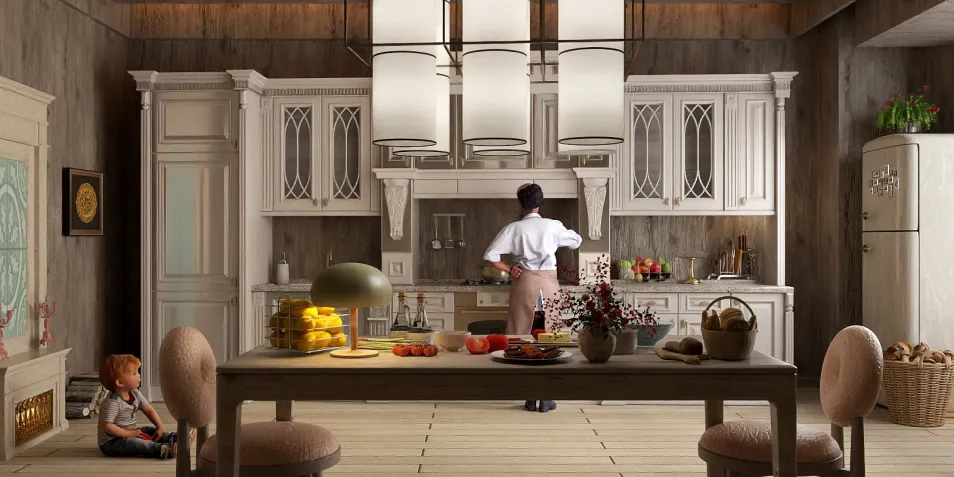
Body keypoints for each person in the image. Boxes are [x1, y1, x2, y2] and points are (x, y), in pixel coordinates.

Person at [484, 183, 583, 412]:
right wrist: (554, 239)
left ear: (521, 203)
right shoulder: (553, 226)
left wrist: (510, 270)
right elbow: (576, 241)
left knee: (521, 339)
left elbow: (491, 256)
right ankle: (547, 396)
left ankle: (528, 395)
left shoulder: (514, 228)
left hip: (524, 282)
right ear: (540, 203)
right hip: (549, 284)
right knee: (551, 339)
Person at [98, 354, 178, 459]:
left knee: (148, 430)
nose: (139, 375)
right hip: (112, 442)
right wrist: (129, 434)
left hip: (129, 432)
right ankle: (163, 450)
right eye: (134, 373)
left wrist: (159, 426)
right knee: (137, 443)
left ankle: (175, 438)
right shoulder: (113, 402)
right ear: (120, 382)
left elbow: (148, 409)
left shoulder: (135, 393)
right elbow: (107, 427)